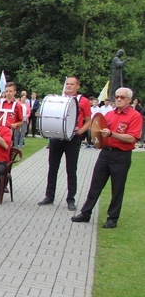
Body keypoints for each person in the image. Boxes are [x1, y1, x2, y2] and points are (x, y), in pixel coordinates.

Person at [71, 87, 142, 228]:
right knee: (95, 184)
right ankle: (86, 213)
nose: (119, 99)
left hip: (121, 155)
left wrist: (112, 134)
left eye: (122, 97)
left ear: (129, 100)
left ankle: (112, 218)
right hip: (106, 153)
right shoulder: (109, 114)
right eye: (117, 97)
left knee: (117, 188)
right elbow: (99, 131)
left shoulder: (135, 116)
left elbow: (131, 138)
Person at [38, 76, 92, 210]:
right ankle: (49, 196)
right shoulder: (58, 99)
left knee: (71, 169)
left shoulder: (83, 101)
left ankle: (71, 199)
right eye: (67, 84)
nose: (68, 86)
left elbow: (88, 121)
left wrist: (82, 130)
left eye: (72, 84)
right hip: (57, 137)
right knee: (52, 168)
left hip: (73, 138)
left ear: (77, 86)